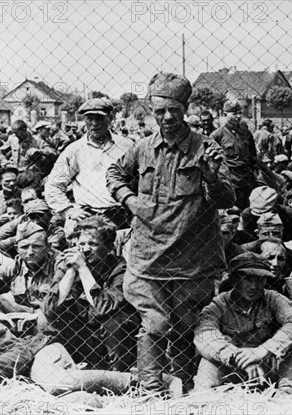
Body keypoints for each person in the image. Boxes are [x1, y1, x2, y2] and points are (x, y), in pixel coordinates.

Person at [106, 72, 235, 395]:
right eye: (159, 110)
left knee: (183, 326)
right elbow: (114, 174)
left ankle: (182, 387)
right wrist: (130, 200)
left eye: (173, 110)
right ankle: (150, 390)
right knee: (155, 324)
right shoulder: (142, 148)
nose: (166, 117)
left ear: (184, 109)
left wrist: (211, 178)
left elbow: (228, 199)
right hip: (148, 256)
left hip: (191, 257)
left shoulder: (207, 148)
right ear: (151, 110)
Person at [193, 253, 292, 391]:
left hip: (266, 364)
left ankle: (286, 392)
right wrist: (235, 356)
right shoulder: (218, 304)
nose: (253, 286)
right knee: (210, 355)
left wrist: (262, 351)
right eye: (247, 279)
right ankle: (204, 395)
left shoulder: (273, 298)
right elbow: (204, 334)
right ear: (234, 280)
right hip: (233, 366)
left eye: (259, 280)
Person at [41, 216, 141, 371]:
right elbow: (50, 310)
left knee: (114, 321)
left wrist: (83, 269)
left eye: (93, 244)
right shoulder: (69, 263)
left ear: (108, 247)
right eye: (81, 244)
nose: (86, 249)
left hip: (115, 340)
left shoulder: (119, 268)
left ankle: (119, 373)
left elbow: (103, 308)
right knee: (53, 322)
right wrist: (71, 271)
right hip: (85, 335)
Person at [44, 98, 135, 231]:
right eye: (89, 118)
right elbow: (53, 184)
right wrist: (69, 210)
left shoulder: (126, 146)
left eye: (99, 118)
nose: (94, 123)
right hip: (89, 217)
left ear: (109, 118)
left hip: (122, 216)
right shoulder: (74, 149)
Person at [210, 100, 259, 209]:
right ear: (225, 114)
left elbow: (252, 154)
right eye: (234, 114)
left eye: (239, 113)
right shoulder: (217, 135)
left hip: (247, 178)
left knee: (249, 209)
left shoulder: (245, 132)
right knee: (234, 210)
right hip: (231, 179)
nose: (238, 116)